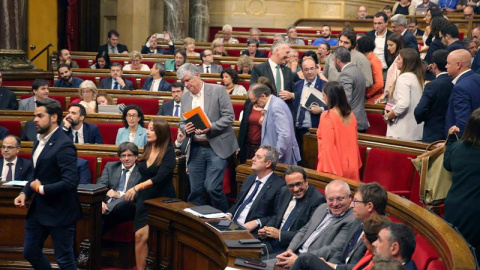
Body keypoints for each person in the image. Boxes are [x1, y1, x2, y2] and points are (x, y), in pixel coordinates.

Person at [14, 98, 82, 270]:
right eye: (34, 116)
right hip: (39, 209)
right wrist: (25, 192)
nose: (35, 119)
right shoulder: (38, 140)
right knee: (30, 252)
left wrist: (41, 188)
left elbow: (71, 182)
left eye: (39, 116)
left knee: (64, 260)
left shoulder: (64, 145)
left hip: (60, 210)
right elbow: (36, 173)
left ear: (53, 117)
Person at [177, 63, 238, 212]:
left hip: (216, 146)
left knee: (212, 188)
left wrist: (211, 127)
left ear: (197, 75)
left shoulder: (217, 90)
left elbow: (229, 117)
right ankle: (198, 225)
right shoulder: (185, 98)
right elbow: (182, 122)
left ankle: (225, 219)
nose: (186, 85)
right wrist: (186, 128)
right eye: (183, 82)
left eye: (188, 80)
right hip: (196, 147)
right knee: (195, 190)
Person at [123, 117, 176, 270]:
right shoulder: (147, 147)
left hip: (161, 199)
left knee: (155, 239)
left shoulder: (169, 152)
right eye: (148, 128)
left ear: (161, 132)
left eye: (152, 129)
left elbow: (159, 177)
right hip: (145, 198)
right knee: (139, 236)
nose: (148, 131)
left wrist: (137, 187)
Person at [274, 180, 355, 269]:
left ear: (349, 198)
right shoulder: (322, 207)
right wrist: (290, 250)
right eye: (331, 199)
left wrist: (299, 259)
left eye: (340, 199)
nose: (335, 204)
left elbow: (333, 249)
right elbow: (303, 231)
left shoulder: (351, 219)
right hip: (295, 255)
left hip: (311, 263)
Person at [259, 165, 325, 254]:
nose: (296, 189)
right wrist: (266, 229)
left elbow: (309, 233)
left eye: (298, 184)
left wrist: (280, 235)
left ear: (306, 181)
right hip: (270, 242)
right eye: (291, 186)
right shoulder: (284, 191)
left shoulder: (317, 200)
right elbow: (277, 216)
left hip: (291, 248)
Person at [444, 109, 480, 262]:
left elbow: (447, 163)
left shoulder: (457, 148)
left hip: (454, 208)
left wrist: (451, 138)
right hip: (476, 213)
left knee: (455, 253)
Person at [226, 145, 284, 232]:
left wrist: (258, 222)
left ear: (268, 163)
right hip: (232, 225)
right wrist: (229, 214)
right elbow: (237, 203)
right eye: (254, 155)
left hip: (252, 231)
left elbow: (277, 215)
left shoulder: (279, 186)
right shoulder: (250, 178)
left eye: (258, 157)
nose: (253, 159)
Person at [316, 81, 362, 180]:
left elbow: (328, 147)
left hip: (335, 167)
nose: (323, 98)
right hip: (352, 164)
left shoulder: (327, 116)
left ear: (330, 96)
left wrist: (330, 174)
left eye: (324, 95)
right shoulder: (351, 114)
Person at [248, 83, 301, 165]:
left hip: (280, 159)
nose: (255, 105)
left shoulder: (276, 106)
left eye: (255, 102)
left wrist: (274, 157)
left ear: (263, 96)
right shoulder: (273, 103)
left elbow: (284, 135)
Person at [97, 142, 142, 234]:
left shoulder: (141, 170)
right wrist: (100, 202)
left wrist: (118, 195)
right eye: (123, 156)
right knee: (101, 222)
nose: (126, 159)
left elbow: (138, 194)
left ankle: (100, 211)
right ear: (120, 158)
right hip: (109, 204)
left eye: (130, 155)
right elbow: (101, 185)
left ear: (136, 157)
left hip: (127, 206)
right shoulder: (111, 166)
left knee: (127, 202)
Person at [385, 48, 424, 141]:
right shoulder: (418, 77)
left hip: (401, 131)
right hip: (414, 131)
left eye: (398, 59)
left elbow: (403, 104)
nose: (396, 62)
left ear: (406, 61)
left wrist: (388, 116)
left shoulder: (404, 77)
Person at [414, 50, 453, 143]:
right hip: (452, 132)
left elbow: (419, 111)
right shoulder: (456, 81)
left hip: (433, 133)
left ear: (434, 65)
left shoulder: (432, 85)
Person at [292, 57, 327, 156]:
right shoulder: (297, 85)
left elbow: (333, 106)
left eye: (312, 68)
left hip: (314, 129)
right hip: (297, 129)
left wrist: (321, 109)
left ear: (317, 68)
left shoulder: (324, 85)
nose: (309, 72)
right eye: (306, 69)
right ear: (302, 71)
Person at [333, 47, 370, 133]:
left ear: (338, 60)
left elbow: (345, 100)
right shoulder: (357, 70)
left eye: (333, 60)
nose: (333, 63)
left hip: (350, 121)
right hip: (359, 119)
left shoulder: (345, 74)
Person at [445, 49, 480, 137]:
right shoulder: (478, 78)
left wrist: (451, 142)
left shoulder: (460, 88)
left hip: (466, 143)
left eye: (448, 63)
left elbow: (463, 122)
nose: (446, 66)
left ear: (458, 65)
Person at [250, 41, 295, 108]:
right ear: (276, 51)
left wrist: (291, 95)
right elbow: (254, 91)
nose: (288, 56)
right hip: (265, 110)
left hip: (285, 110)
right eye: (287, 52)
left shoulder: (287, 71)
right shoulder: (259, 69)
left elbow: (295, 90)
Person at [377, 33, 405, 103]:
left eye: (391, 45)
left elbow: (395, 81)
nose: (388, 48)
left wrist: (385, 94)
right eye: (388, 45)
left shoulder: (400, 60)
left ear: (398, 45)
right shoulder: (396, 58)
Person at [357, 37, 385, 104]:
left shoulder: (374, 61)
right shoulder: (366, 59)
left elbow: (379, 84)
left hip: (373, 97)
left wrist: (367, 94)